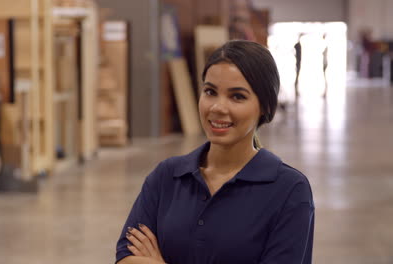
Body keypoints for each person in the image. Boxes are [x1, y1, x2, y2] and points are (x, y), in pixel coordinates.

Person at [115, 40, 315, 264]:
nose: (218, 108)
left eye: (237, 96)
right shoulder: (167, 176)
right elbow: (126, 258)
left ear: (265, 106)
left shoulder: (289, 189)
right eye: (210, 91)